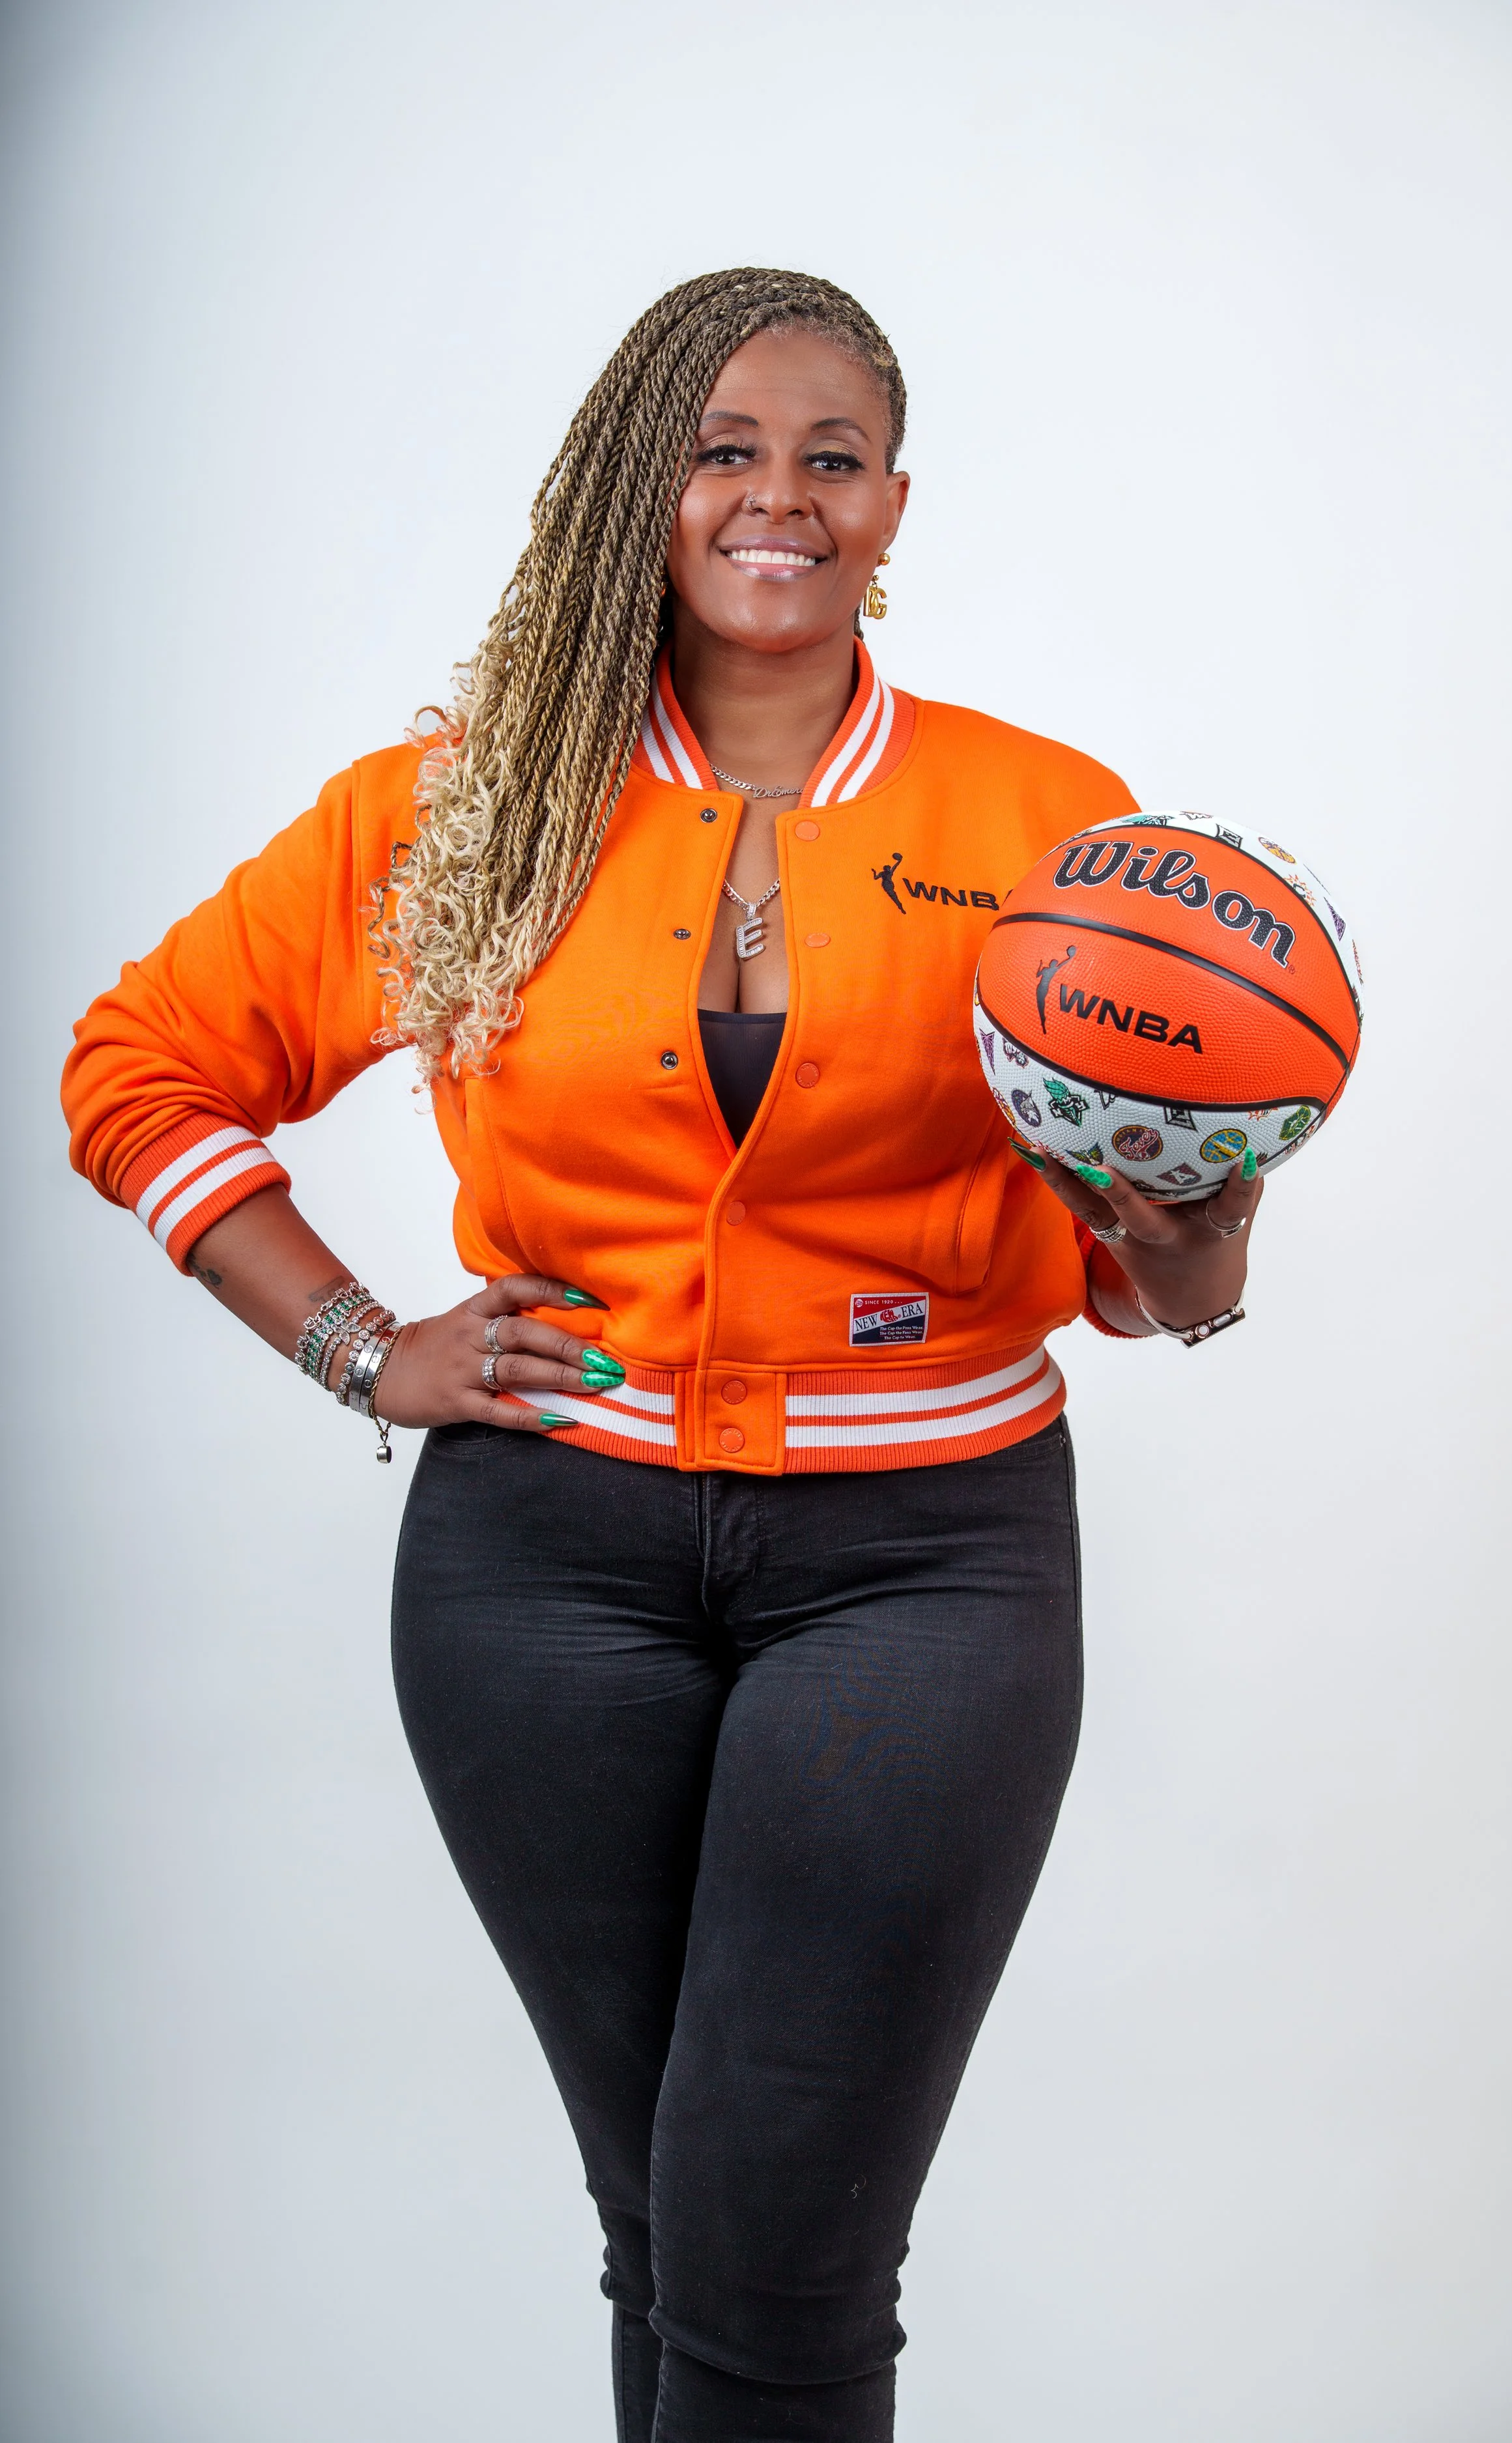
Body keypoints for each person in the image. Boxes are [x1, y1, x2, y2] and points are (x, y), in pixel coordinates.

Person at [62, 267, 1262, 2442]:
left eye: (830, 457)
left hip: (926, 1565)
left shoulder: (1047, 829)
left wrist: (1204, 1224)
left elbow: (1150, 1282)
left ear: (895, 505)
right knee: (666, 2225)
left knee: (775, 2244)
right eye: (721, 450)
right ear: (643, 488)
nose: (776, 497)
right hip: (539, 1572)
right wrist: (361, 1345)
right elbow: (138, 1067)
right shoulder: (468, 810)